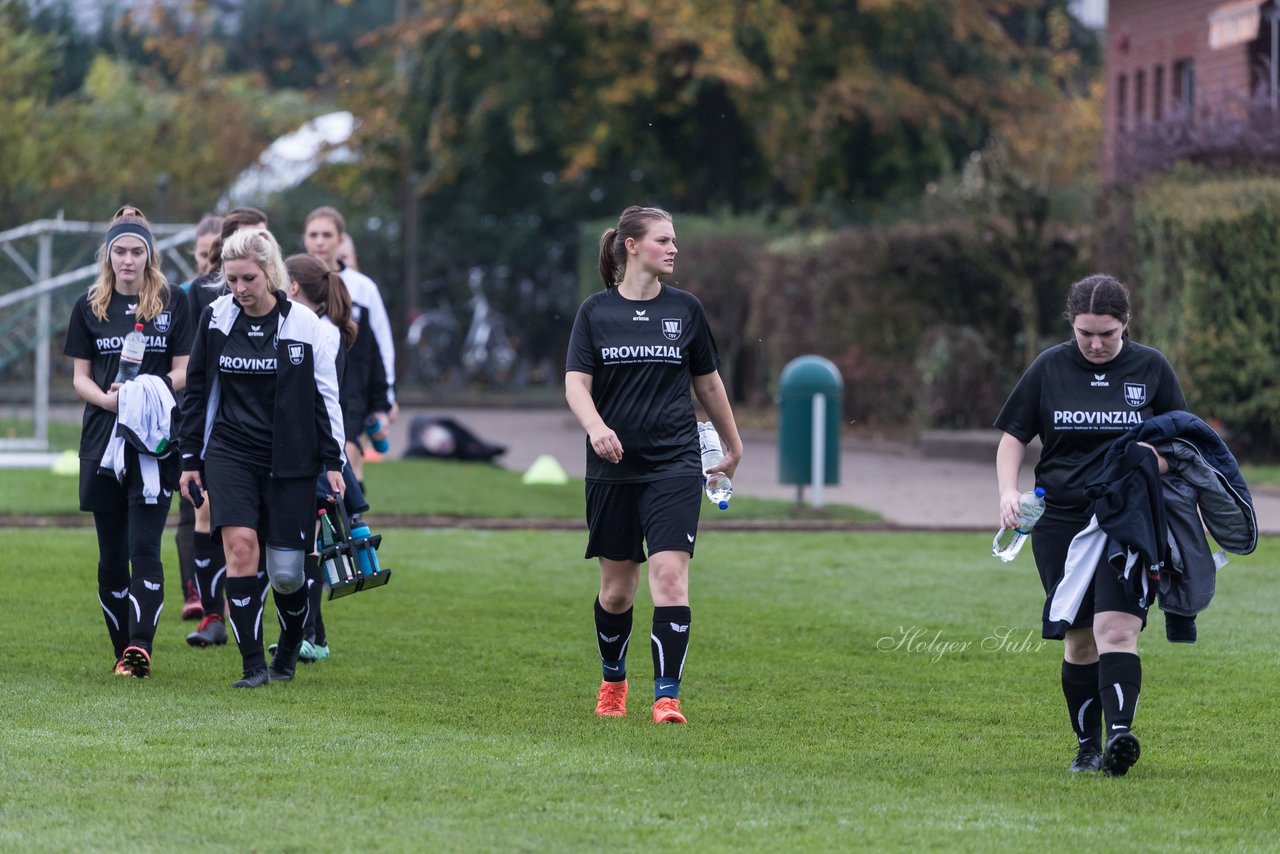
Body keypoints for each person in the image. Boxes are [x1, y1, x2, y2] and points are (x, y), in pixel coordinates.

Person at [994, 274, 1188, 776]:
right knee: (1080, 637)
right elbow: (1014, 437)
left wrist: (1151, 462)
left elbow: (1181, 445)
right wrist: (1007, 491)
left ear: (1126, 324)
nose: (1097, 344)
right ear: (1072, 326)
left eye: (1107, 333)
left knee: (1118, 627)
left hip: (1128, 518)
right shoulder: (1050, 367)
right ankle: (1088, 745)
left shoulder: (1151, 368)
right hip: (1060, 520)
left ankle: (1121, 736)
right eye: (1086, 333)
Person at [564, 205, 743, 724]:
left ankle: (667, 698)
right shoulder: (595, 312)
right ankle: (614, 682)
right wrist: (597, 428)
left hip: (675, 462)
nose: (673, 248)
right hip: (613, 468)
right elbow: (576, 383)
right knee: (617, 592)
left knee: (670, 576)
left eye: (674, 240)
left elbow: (708, 384)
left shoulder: (686, 310)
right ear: (631, 246)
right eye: (663, 240)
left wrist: (734, 447)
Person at [178, 228, 346, 688]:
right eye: (231, 280)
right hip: (230, 454)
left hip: (291, 462)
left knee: (288, 573)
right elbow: (197, 391)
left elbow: (325, 399)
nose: (239, 290)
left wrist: (335, 464)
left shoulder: (304, 326)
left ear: (270, 273)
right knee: (240, 548)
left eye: (248, 279)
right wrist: (190, 459)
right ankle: (253, 666)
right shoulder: (215, 318)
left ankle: (289, 647)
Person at [63, 204, 193, 678]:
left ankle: (141, 647)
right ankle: (123, 651)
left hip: (153, 442)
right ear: (108, 254)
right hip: (103, 439)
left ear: (150, 255)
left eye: (137, 251)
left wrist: (143, 394)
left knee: (144, 550)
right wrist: (110, 401)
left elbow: (183, 371)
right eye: (120, 250)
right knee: (111, 558)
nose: (129, 260)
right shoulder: (88, 304)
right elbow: (79, 378)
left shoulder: (173, 301)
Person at [272, 252, 368, 664]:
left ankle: (308, 634)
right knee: (305, 544)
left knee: (307, 546)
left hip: (312, 453)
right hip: (308, 450)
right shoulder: (315, 326)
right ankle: (316, 636)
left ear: (292, 286)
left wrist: (332, 460)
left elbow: (324, 401)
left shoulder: (319, 332)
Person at [184, 207, 271, 649]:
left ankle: (286, 623)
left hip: (269, 437)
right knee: (206, 514)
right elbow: (193, 370)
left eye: (263, 238)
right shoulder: (200, 294)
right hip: (220, 432)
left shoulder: (279, 297)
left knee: (267, 537)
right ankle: (211, 614)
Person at [303, 207, 395, 485]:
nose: (320, 241)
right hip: (306, 391)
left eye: (327, 235)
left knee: (348, 454)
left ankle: (353, 519)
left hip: (351, 390)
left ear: (340, 239)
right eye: (313, 234)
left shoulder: (361, 287)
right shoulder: (293, 281)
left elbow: (382, 344)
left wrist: (386, 399)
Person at [175, 213, 224, 622]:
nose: (210, 259)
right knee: (190, 508)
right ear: (195, 253)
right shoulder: (190, 294)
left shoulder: (237, 291)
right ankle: (194, 589)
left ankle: (221, 590)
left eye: (216, 252)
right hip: (190, 412)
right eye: (204, 252)